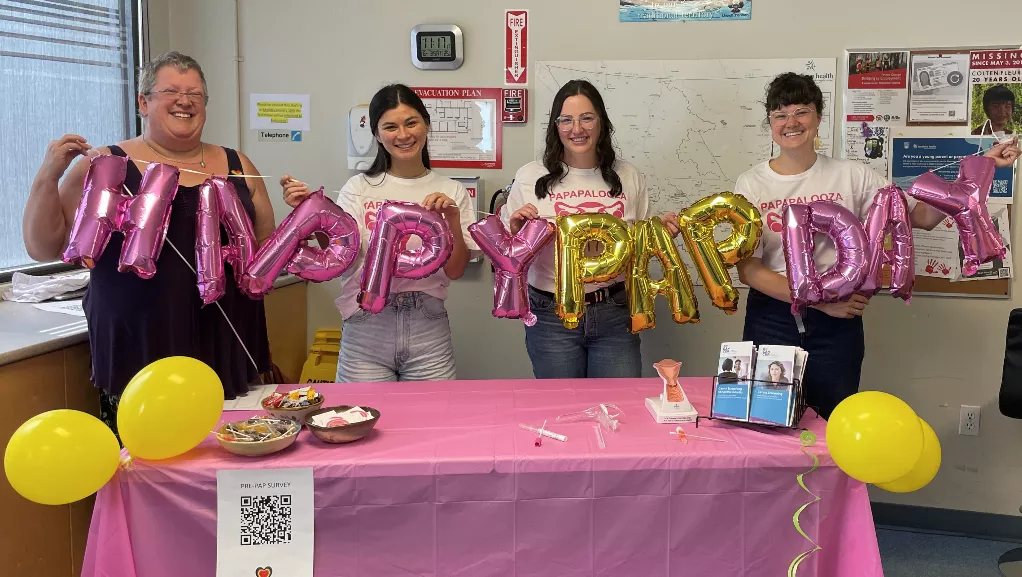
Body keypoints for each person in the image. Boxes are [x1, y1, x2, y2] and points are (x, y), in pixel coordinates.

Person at [665, 72, 1019, 419]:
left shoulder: (853, 176)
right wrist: (819, 302)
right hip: (773, 317)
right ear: (770, 123)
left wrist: (983, 165)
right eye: (780, 115)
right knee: (767, 422)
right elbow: (750, 269)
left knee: (833, 422)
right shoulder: (753, 183)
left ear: (818, 117)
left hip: (838, 323)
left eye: (801, 111)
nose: (791, 122)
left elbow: (923, 217)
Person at [22, 51, 275, 434]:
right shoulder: (107, 165)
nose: (185, 101)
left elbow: (264, 245)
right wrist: (48, 175)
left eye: (195, 93)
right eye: (170, 91)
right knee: (146, 468)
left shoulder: (237, 163)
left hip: (229, 342)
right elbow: (44, 247)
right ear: (143, 101)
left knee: (231, 466)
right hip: (139, 346)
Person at [282, 84, 477, 382]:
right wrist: (311, 215)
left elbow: (456, 270)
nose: (403, 135)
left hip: (427, 326)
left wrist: (450, 219)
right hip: (365, 326)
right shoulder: (358, 188)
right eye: (390, 126)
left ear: (426, 124)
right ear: (376, 134)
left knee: (431, 423)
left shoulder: (452, 190)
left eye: (411, 122)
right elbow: (340, 258)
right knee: (359, 422)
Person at [503, 79, 652, 379]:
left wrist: (663, 232)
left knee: (619, 410)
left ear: (601, 123)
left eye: (587, 118)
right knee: (561, 410)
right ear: (556, 126)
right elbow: (508, 257)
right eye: (566, 120)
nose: (577, 129)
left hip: (614, 310)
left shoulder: (628, 176)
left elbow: (643, 245)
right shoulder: (531, 176)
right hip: (550, 314)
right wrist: (517, 232)